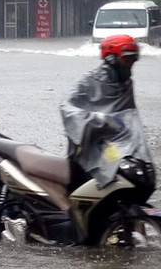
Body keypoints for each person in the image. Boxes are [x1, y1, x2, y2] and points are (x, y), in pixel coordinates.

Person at [60, 34, 151, 188]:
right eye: (126, 60)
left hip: (117, 147)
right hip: (90, 146)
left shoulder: (126, 85)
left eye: (132, 61)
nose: (130, 65)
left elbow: (131, 119)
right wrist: (97, 120)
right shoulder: (88, 82)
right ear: (111, 58)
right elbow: (67, 108)